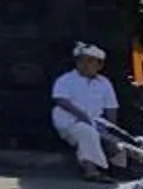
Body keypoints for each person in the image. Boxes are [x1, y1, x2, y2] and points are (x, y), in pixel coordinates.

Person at [54, 42, 127, 181]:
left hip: (96, 122)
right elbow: (60, 100)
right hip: (69, 121)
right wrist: (82, 116)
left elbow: (111, 108)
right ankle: (91, 171)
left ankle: (115, 171)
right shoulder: (66, 79)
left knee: (119, 141)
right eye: (81, 61)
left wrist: (112, 130)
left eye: (90, 61)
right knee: (87, 132)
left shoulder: (105, 83)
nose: (85, 64)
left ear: (100, 65)